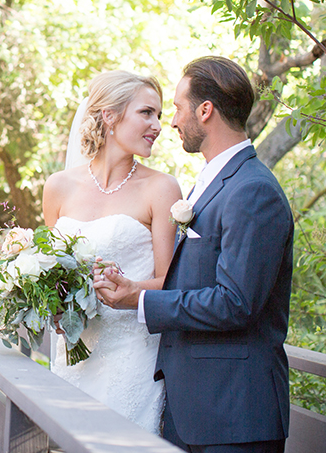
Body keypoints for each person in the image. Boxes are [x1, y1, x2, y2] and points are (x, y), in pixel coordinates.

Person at [93, 56, 294, 453]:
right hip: (194, 409)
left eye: (179, 109)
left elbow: (236, 302)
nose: (170, 122)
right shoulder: (213, 181)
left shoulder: (253, 190)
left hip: (234, 417)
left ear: (206, 111)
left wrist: (141, 299)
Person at [42, 70, 182, 434]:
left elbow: (172, 283)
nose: (157, 125)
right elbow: (50, 274)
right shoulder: (58, 187)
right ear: (109, 115)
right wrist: (52, 305)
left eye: (160, 116)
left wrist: (129, 288)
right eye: (146, 113)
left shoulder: (162, 189)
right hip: (74, 351)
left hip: (132, 357)